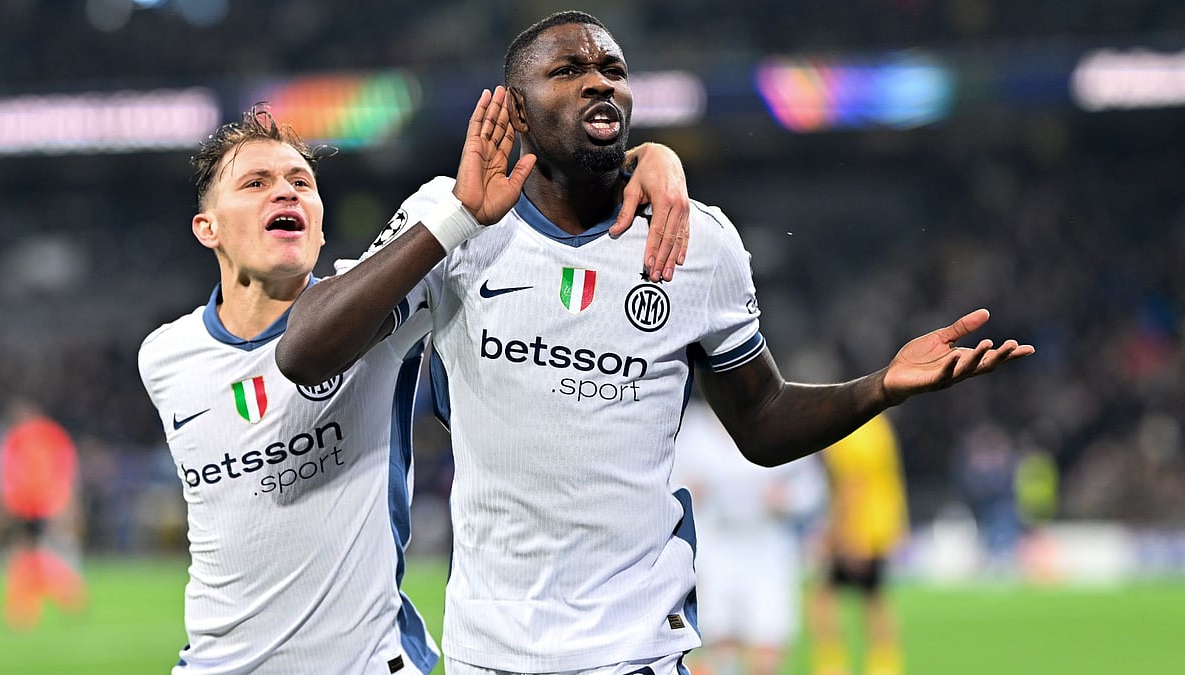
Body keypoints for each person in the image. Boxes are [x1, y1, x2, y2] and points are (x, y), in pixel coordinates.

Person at [276, 10, 1035, 674]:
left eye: (613, 69)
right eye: (568, 70)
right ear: (514, 108)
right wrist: (455, 221)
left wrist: (881, 386)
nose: (599, 82)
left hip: (637, 647)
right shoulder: (455, 221)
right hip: (489, 647)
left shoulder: (697, 242)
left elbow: (763, 422)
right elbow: (304, 349)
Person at [138, 93, 692, 674]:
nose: (285, 191)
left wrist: (646, 156)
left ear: (321, 226)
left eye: (301, 182)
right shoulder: (165, 358)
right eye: (255, 183)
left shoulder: (379, 306)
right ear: (208, 228)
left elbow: (538, 199)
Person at [672, 392, 826, 675]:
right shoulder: (693, 429)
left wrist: (786, 497)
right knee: (719, 637)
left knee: (769, 638)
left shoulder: (779, 422)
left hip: (768, 547)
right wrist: (690, 492)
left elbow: (812, 488)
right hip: (715, 545)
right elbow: (670, 484)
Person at [809, 413, 909, 675]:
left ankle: (833, 666)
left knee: (822, 600)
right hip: (881, 526)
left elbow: (852, 486)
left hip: (859, 532)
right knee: (873, 598)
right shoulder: (879, 427)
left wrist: (843, 535)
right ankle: (885, 666)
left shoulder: (848, 434)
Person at [0, 399, 87, 631]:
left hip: (38, 504)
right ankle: (54, 598)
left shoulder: (38, 436)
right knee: (34, 552)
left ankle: (50, 599)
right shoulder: (41, 435)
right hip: (33, 504)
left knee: (35, 552)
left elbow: (9, 471)